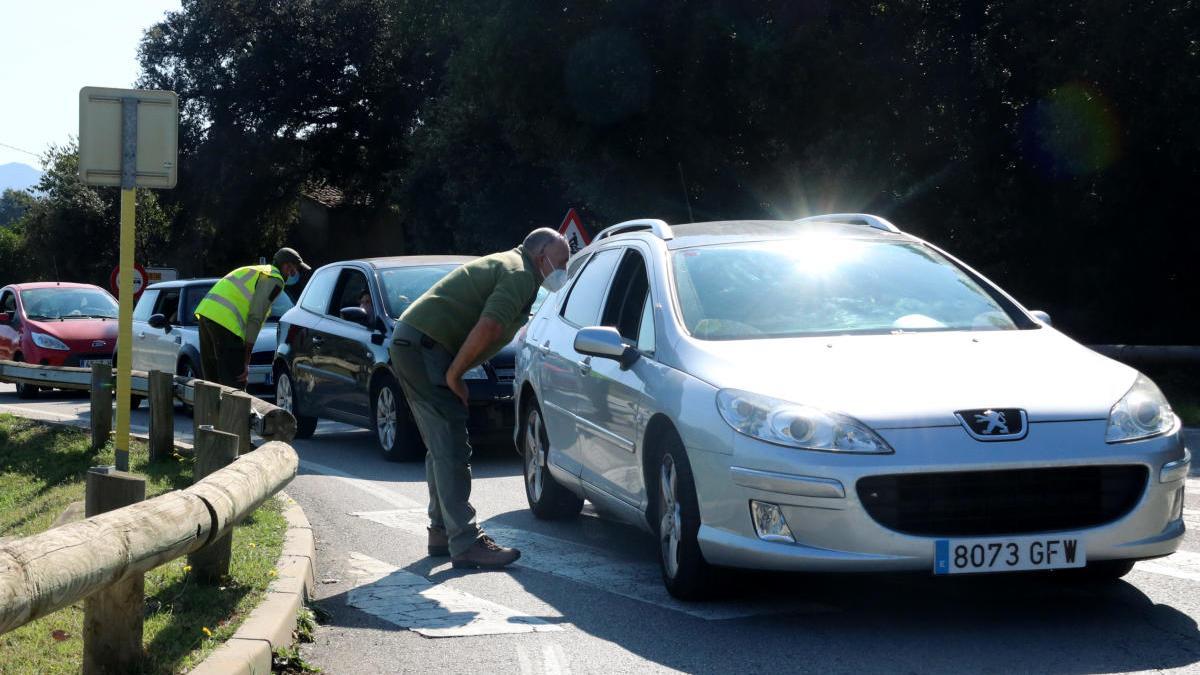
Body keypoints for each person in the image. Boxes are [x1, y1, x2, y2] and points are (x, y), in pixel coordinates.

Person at [390, 228, 570, 569]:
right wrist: (455, 375)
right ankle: (466, 541)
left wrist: (455, 371)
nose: (564, 269)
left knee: (442, 445)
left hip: (418, 345)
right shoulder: (519, 273)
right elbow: (489, 325)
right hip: (424, 348)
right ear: (541, 256)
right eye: (561, 261)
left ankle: (443, 532)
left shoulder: (519, 269)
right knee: (451, 447)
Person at [194, 248, 310, 389]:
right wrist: (246, 359)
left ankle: (209, 411)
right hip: (225, 324)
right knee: (235, 386)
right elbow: (256, 317)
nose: (294, 274)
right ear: (286, 266)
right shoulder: (275, 279)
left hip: (206, 314)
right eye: (294, 269)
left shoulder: (259, 271)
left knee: (211, 384)